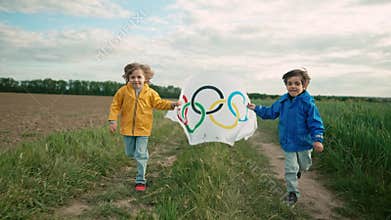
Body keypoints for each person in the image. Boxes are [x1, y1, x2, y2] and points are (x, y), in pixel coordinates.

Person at [247, 68, 324, 205]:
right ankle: (292, 193)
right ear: (286, 85)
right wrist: (256, 108)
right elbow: (270, 112)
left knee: (305, 165)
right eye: (290, 83)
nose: (293, 86)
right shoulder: (282, 102)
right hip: (288, 142)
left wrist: (317, 139)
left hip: (304, 143)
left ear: (304, 85)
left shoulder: (308, 103)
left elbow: (315, 122)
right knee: (290, 169)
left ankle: (299, 170)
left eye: (297, 83)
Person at [108, 62, 180, 191]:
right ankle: (142, 153)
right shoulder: (123, 91)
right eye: (133, 77)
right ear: (128, 78)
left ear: (145, 78)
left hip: (143, 129)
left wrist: (171, 105)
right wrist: (112, 120)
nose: (136, 80)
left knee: (140, 154)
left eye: (139, 77)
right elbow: (115, 105)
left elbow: (159, 103)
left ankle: (140, 180)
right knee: (130, 153)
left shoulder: (150, 93)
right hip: (127, 129)